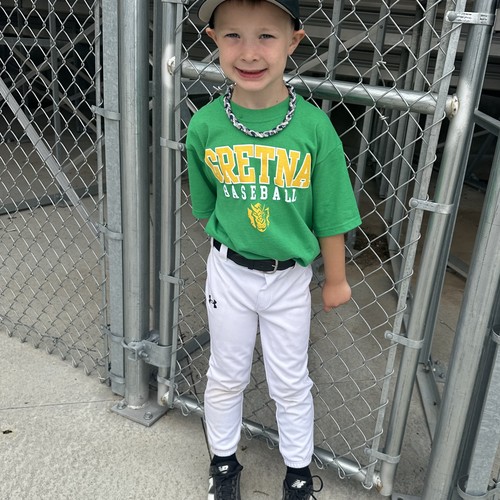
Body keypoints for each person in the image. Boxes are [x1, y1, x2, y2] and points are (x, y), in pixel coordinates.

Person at [186, 0, 361, 498]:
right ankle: (223, 464)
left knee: (291, 382)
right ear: (214, 40)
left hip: (289, 278)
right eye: (232, 36)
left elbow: (330, 213)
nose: (249, 52)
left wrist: (335, 278)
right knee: (226, 374)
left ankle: (298, 474)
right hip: (230, 274)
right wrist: (238, 242)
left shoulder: (313, 127)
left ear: (293, 41)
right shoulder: (205, 125)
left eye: (265, 36)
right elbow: (207, 205)